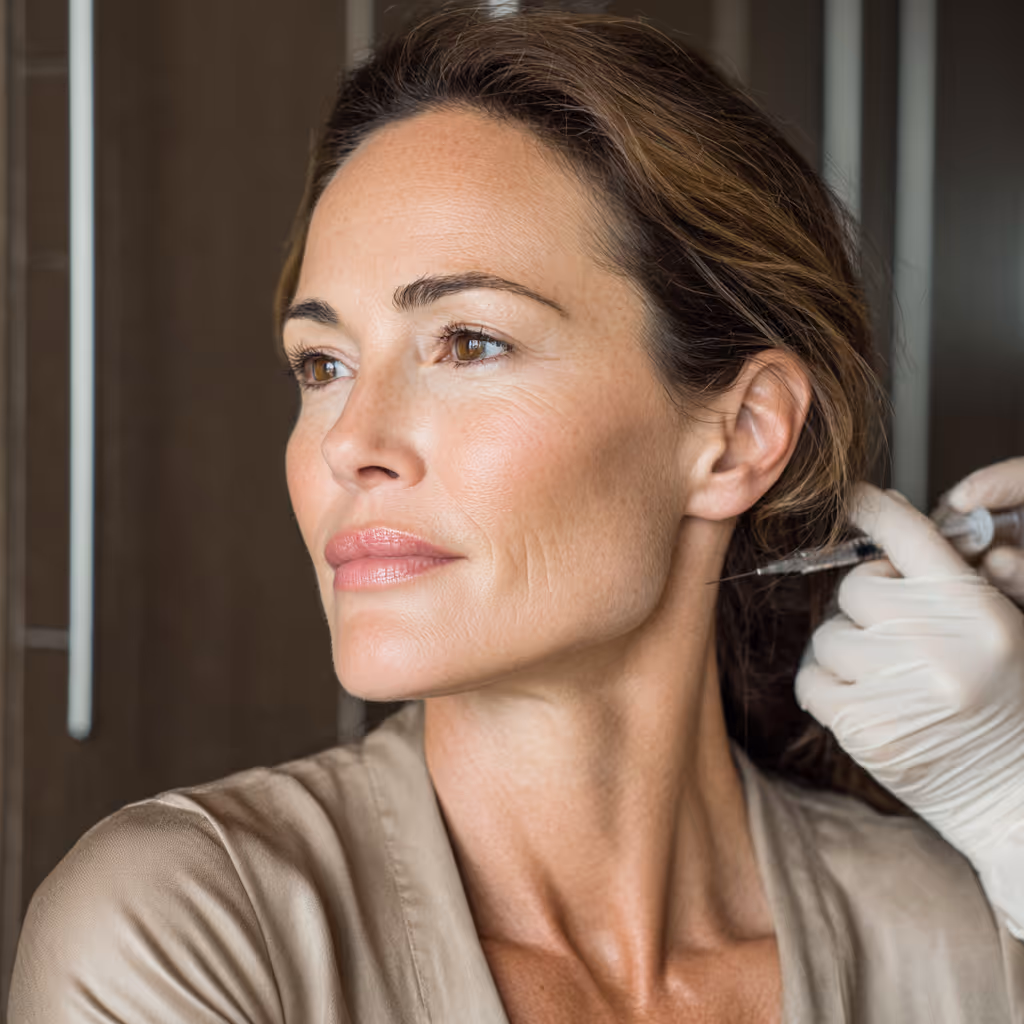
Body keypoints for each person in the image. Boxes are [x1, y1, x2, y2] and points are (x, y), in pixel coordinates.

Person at [9, 4, 1024, 1022]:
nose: (348, 441)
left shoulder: (959, 930)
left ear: (739, 434)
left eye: (468, 342)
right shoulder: (190, 928)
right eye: (322, 364)